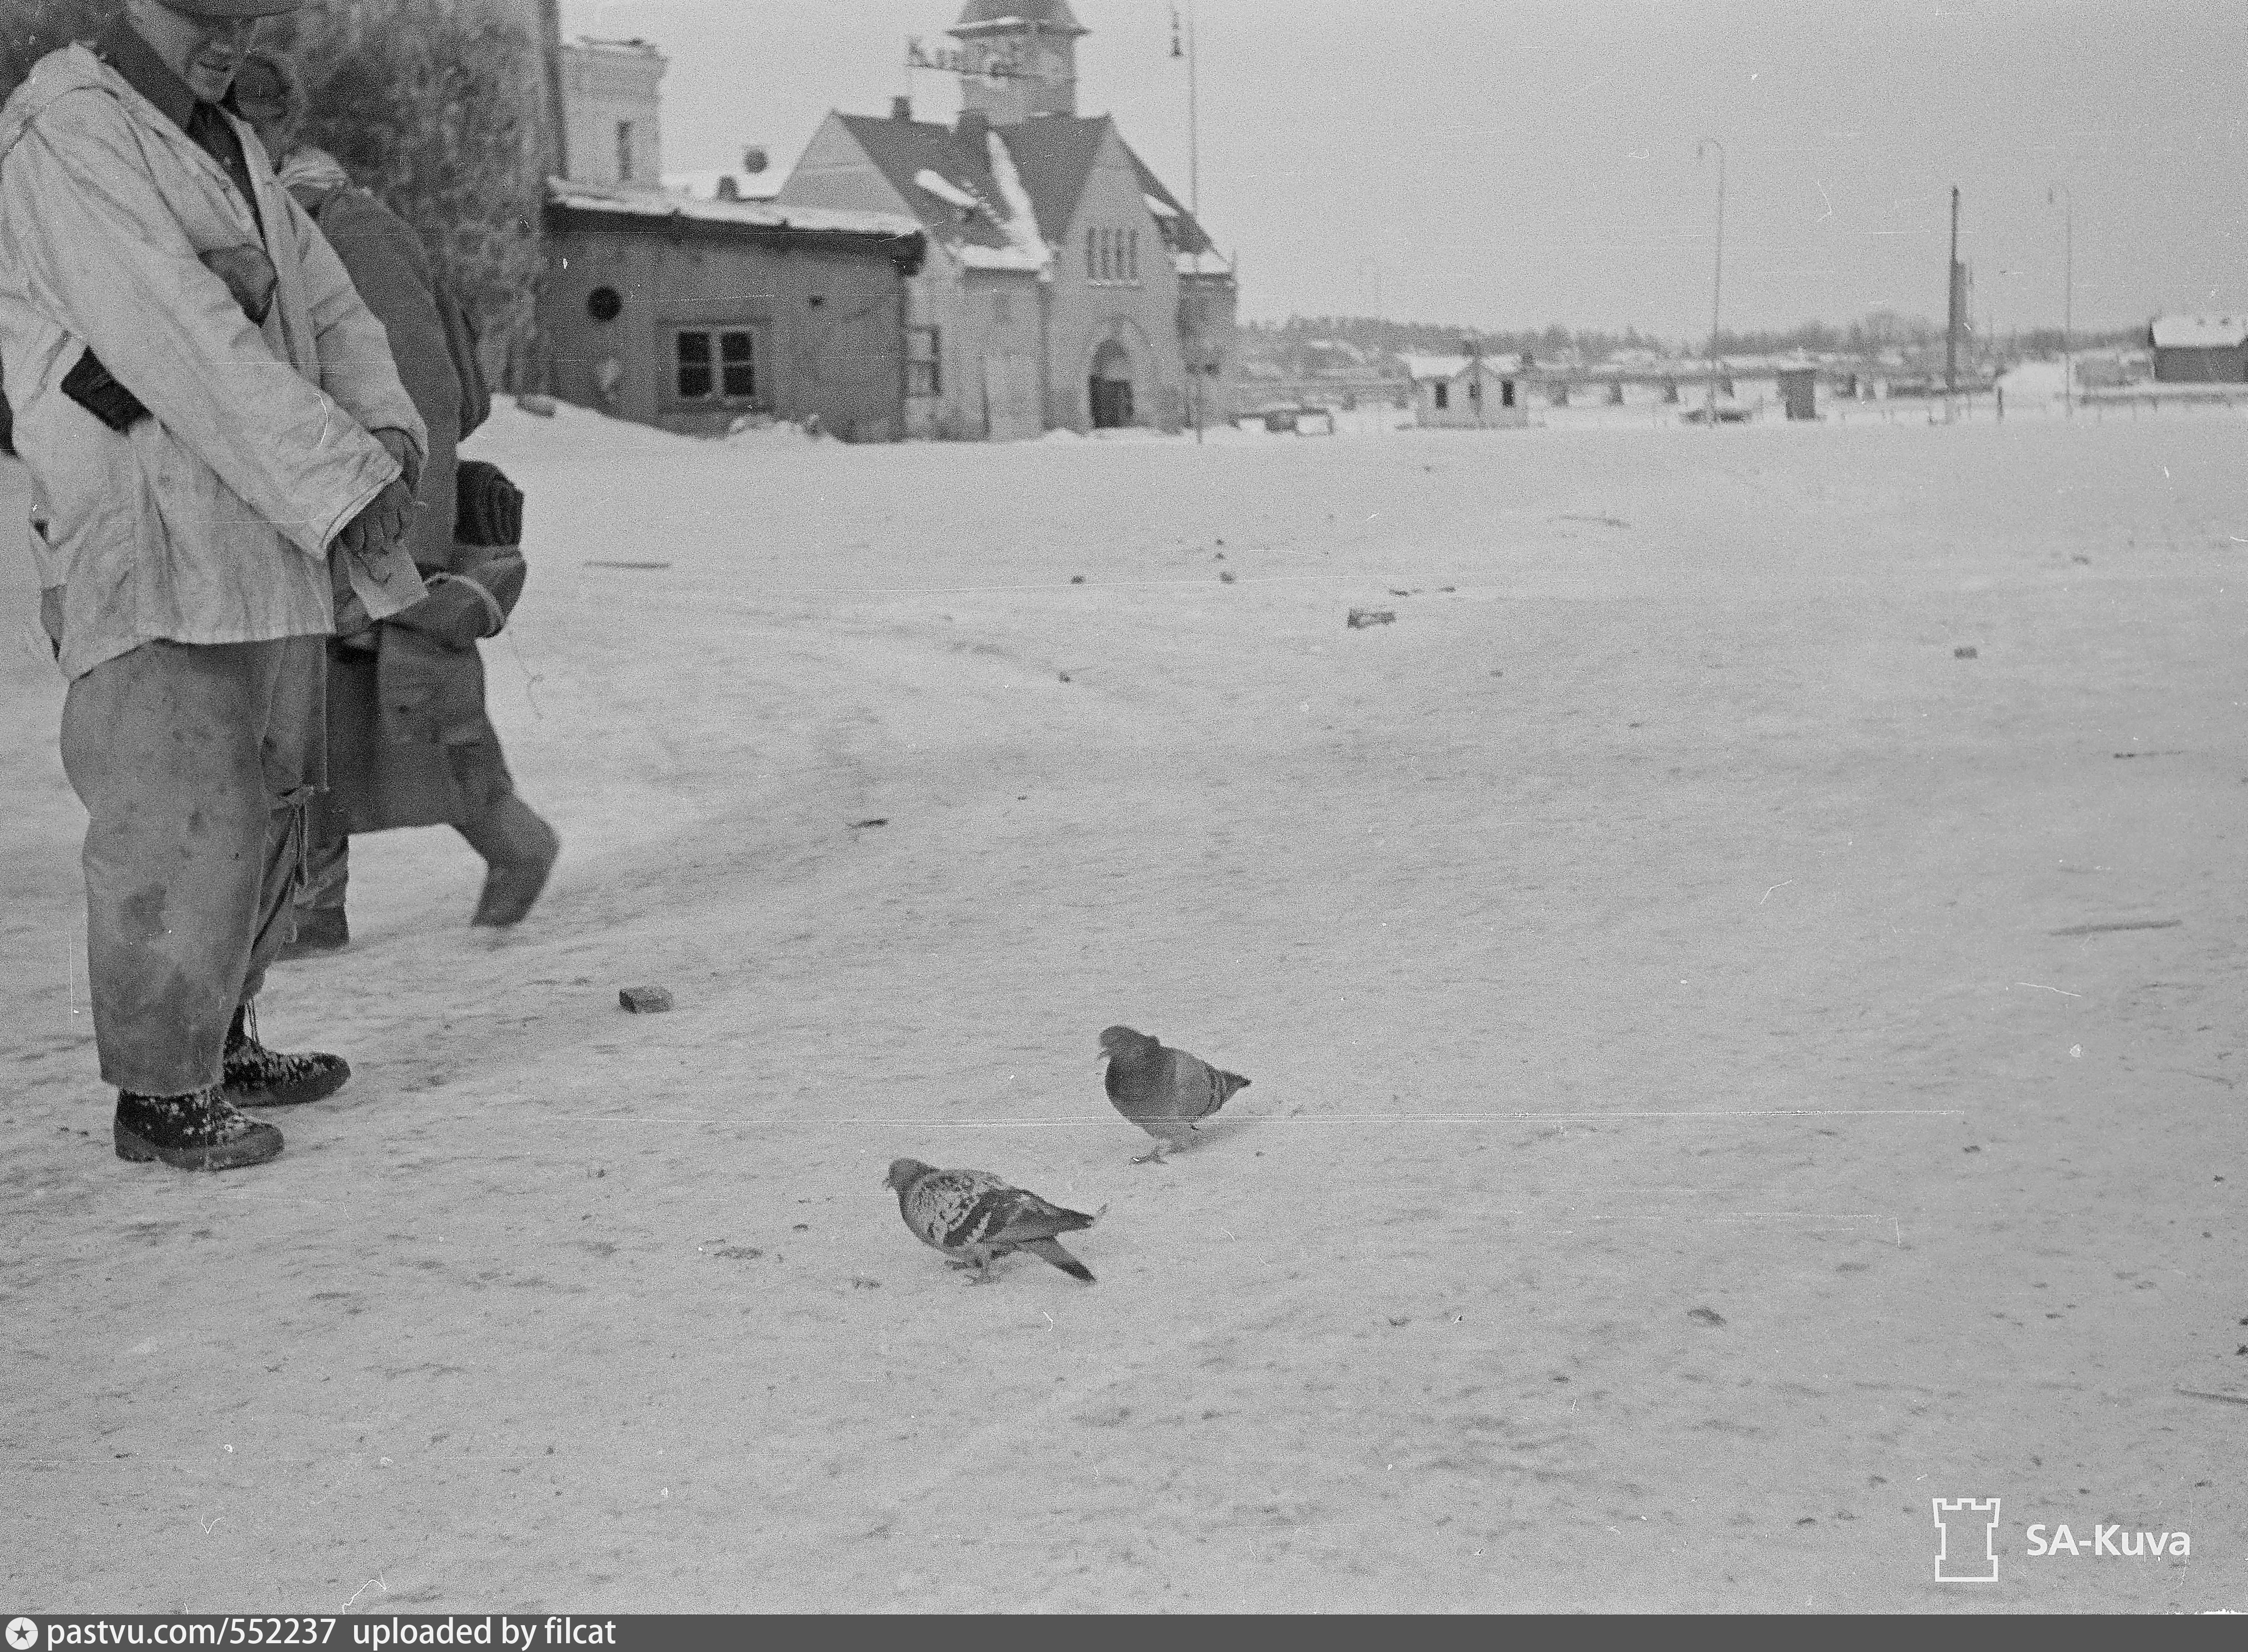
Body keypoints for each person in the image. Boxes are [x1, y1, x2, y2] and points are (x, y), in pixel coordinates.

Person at [0, 0, 430, 1172]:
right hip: (146, 529)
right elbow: (181, 335)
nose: (227, 36)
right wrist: (341, 480)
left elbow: (329, 306)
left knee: (269, 799)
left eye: (244, 15)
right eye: (203, 14)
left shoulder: (224, 138)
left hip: (253, 528)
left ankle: (223, 1033)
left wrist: (384, 428)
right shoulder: (69, 131)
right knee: (175, 811)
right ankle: (160, 1087)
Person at [231, 52, 560, 959]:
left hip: (378, 515)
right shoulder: (260, 225)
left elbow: (422, 387)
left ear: (277, 130)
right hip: (304, 514)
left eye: (243, 124)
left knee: (416, 693)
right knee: (308, 715)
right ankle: (311, 906)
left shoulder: (345, 227)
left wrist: (409, 539)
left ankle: (513, 843)